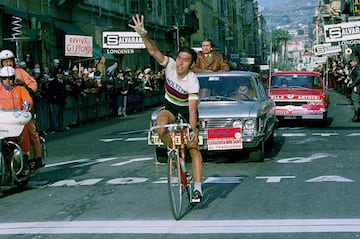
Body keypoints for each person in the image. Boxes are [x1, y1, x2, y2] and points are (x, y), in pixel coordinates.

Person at [129, 14, 204, 202]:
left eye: (185, 60)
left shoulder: (192, 81)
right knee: (160, 125)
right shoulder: (170, 65)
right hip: (170, 107)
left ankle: (197, 187)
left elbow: (193, 110)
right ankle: (173, 151)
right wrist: (143, 35)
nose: (180, 63)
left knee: (193, 148)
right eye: (179, 58)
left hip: (187, 111)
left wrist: (193, 130)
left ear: (191, 64)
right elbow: (154, 52)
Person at [0, 50, 44, 168]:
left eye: (10, 61)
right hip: (3, 117)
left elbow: (32, 84)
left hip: (20, 114)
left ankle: (36, 157)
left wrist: (27, 95)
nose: (8, 81)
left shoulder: (20, 74)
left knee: (31, 132)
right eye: (5, 61)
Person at [0, 66, 34, 169]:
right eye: (5, 78)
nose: (8, 81)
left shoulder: (20, 89)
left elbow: (28, 99)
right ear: (1, 79)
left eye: (10, 78)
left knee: (26, 134)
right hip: (2, 122)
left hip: (17, 120)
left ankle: (26, 160)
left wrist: (27, 105)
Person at [349, 56, 360, 122]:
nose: (350, 63)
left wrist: (353, 84)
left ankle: (357, 117)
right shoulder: (356, 68)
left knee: (355, 100)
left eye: (352, 61)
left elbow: (359, 77)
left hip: (357, 87)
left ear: (355, 61)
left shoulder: (357, 68)